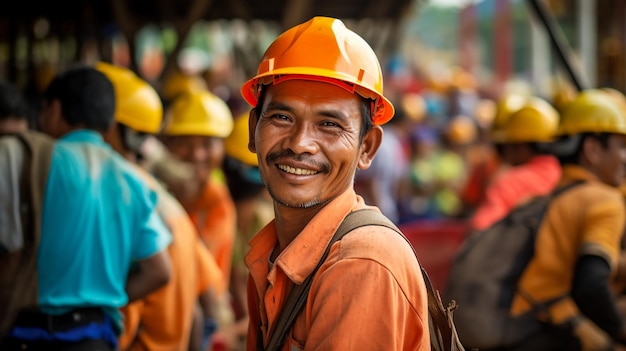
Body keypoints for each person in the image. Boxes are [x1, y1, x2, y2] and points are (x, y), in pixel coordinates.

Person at [240, 16, 429, 349]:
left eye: (329, 124)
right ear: (253, 128)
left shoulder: (361, 262)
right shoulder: (276, 252)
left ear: (367, 147)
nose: (300, 143)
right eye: (282, 117)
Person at [1, 65, 172, 351]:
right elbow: (160, 271)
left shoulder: (31, 161)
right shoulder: (133, 179)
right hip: (94, 337)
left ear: (54, 110)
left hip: (28, 335)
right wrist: (104, 297)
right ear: (108, 122)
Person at [95, 62, 224, 351]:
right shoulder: (160, 198)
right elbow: (201, 307)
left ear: (107, 126)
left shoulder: (120, 197)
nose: (195, 155)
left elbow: (122, 325)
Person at [506, 89, 626, 350]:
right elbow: (591, 286)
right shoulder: (605, 200)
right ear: (592, 150)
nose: (625, 158)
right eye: (622, 146)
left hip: (521, 326)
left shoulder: (553, 197)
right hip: (552, 330)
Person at [159, 90, 236, 301]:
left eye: (207, 144)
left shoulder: (216, 198)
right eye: (185, 143)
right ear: (168, 144)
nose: (197, 154)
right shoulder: (155, 189)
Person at [469, 96, 561, 231]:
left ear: (520, 145)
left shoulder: (508, 183)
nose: (505, 153)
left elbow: (479, 228)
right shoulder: (566, 175)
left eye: (508, 145)